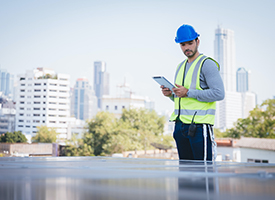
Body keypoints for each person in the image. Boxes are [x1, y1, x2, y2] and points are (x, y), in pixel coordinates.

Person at [161, 24, 224, 161]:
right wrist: (171, 95)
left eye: (190, 43)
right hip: (180, 127)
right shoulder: (180, 67)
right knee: (186, 174)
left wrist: (188, 92)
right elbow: (183, 97)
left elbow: (219, 93)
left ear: (197, 42)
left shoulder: (207, 64)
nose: (187, 47)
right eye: (183, 44)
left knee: (204, 173)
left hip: (199, 129)